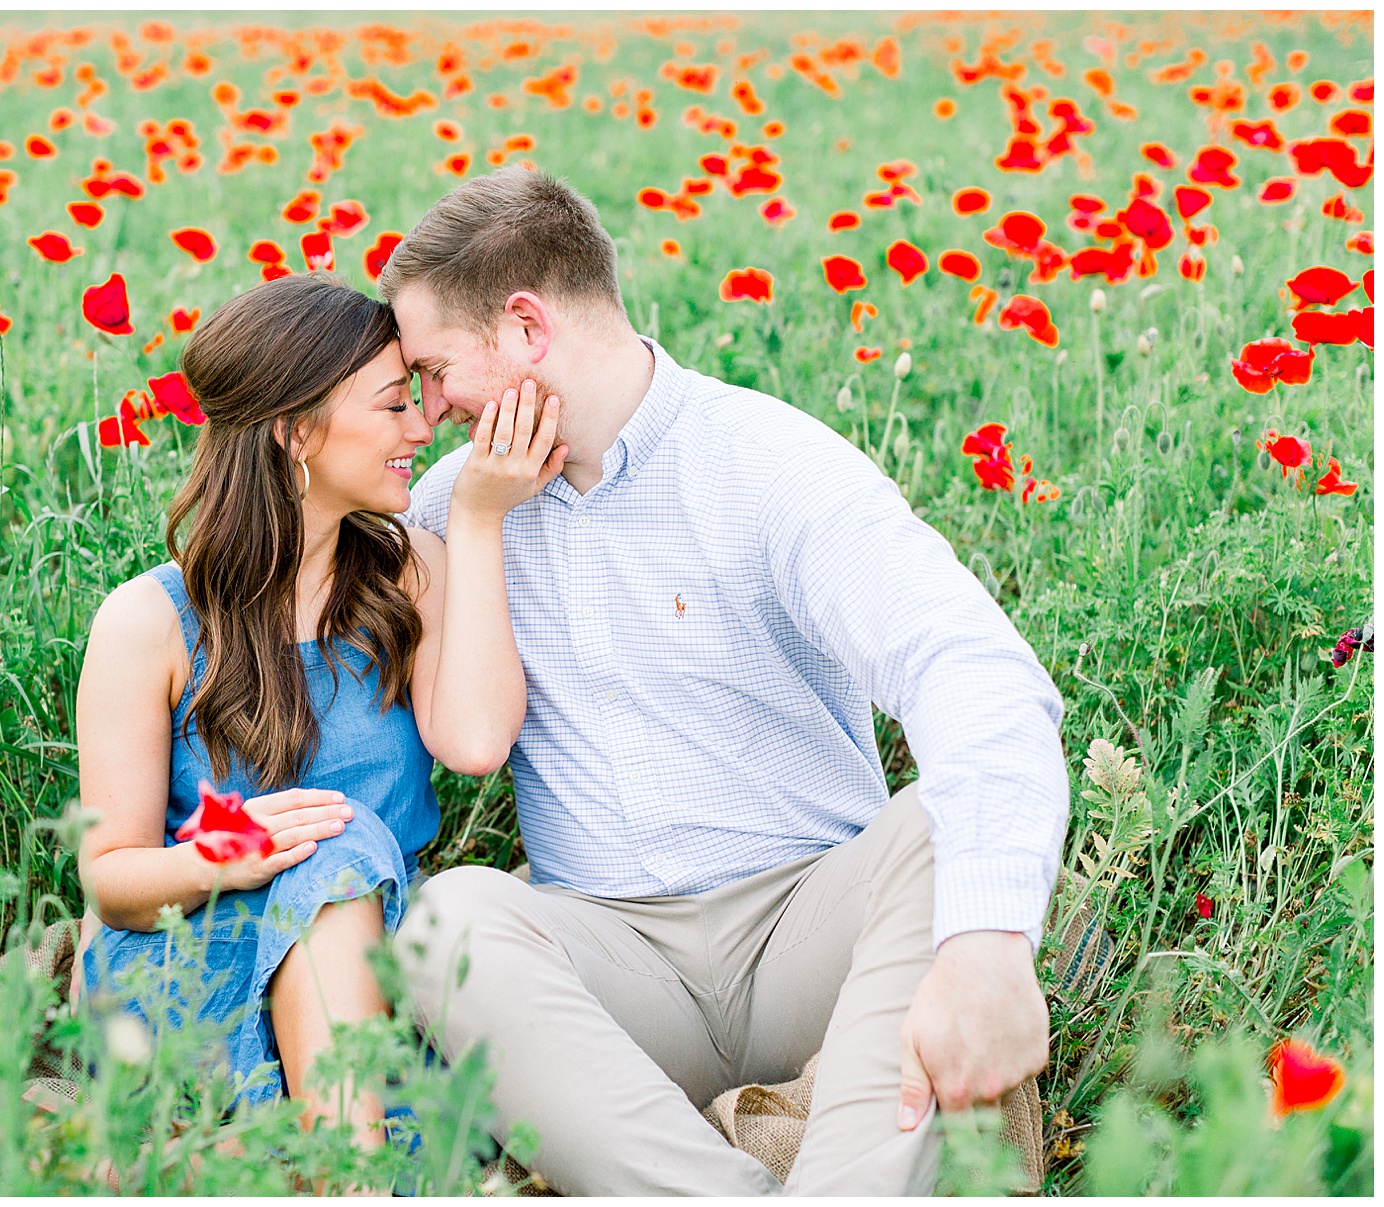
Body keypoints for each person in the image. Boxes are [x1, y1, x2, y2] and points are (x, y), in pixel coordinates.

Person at [381, 166, 1069, 1195]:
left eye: (435, 371)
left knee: (940, 826)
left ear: (525, 329)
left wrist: (989, 942)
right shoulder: (450, 508)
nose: (429, 411)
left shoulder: (768, 463)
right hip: (615, 961)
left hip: (807, 929)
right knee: (446, 922)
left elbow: (970, 667)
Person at [71, 273, 565, 1147]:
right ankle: (349, 1168)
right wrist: (238, 851)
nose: (422, 427)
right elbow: (110, 880)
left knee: (348, 854)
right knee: (334, 839)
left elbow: (481, 742)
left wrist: (481, 522)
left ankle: (320, 1154)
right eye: (391, 405)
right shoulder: (147, 624)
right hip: (200, 963)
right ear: (296, 433)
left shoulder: (409, 573)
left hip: (371, 971)